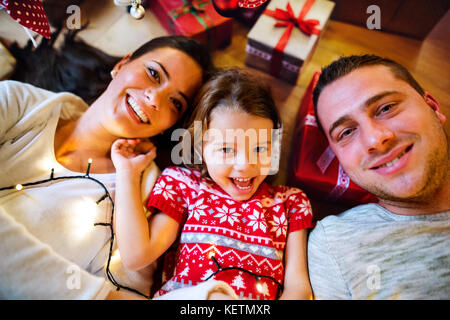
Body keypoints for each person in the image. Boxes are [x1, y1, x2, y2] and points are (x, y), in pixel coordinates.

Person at [0, 35, 219, 299]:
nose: (154, 99)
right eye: (153, 74)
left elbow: (128, 293)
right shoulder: (17, 101)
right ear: (122, 64)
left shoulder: (146, 196)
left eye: (175, 103)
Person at [111, 68, 314, 300]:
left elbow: (298, 289)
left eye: (260, 148)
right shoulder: (185, 186)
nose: (245, 165)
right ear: (200, 148)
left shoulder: (291, 203)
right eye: (226, 149)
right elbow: (136, 256)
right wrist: (127, 172)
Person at [307, 54, 450, 299]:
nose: (375, 140)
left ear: (433, 108)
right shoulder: (335, 244)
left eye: (386, 108)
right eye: (347, 132)